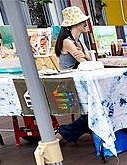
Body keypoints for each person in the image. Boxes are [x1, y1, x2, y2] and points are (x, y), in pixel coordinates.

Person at [54, 6, 91, 143]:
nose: (86, 24)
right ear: (75, 24)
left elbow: (89, 60)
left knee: (92, 110)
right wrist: (85, 56)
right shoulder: (67, 42)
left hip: (79, 81)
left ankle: (70, 131)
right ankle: (62, 133)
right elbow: (85, 62)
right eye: (83, 21)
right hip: (68, 84)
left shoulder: (79, 41)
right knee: (91, 113)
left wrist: (86, 55)